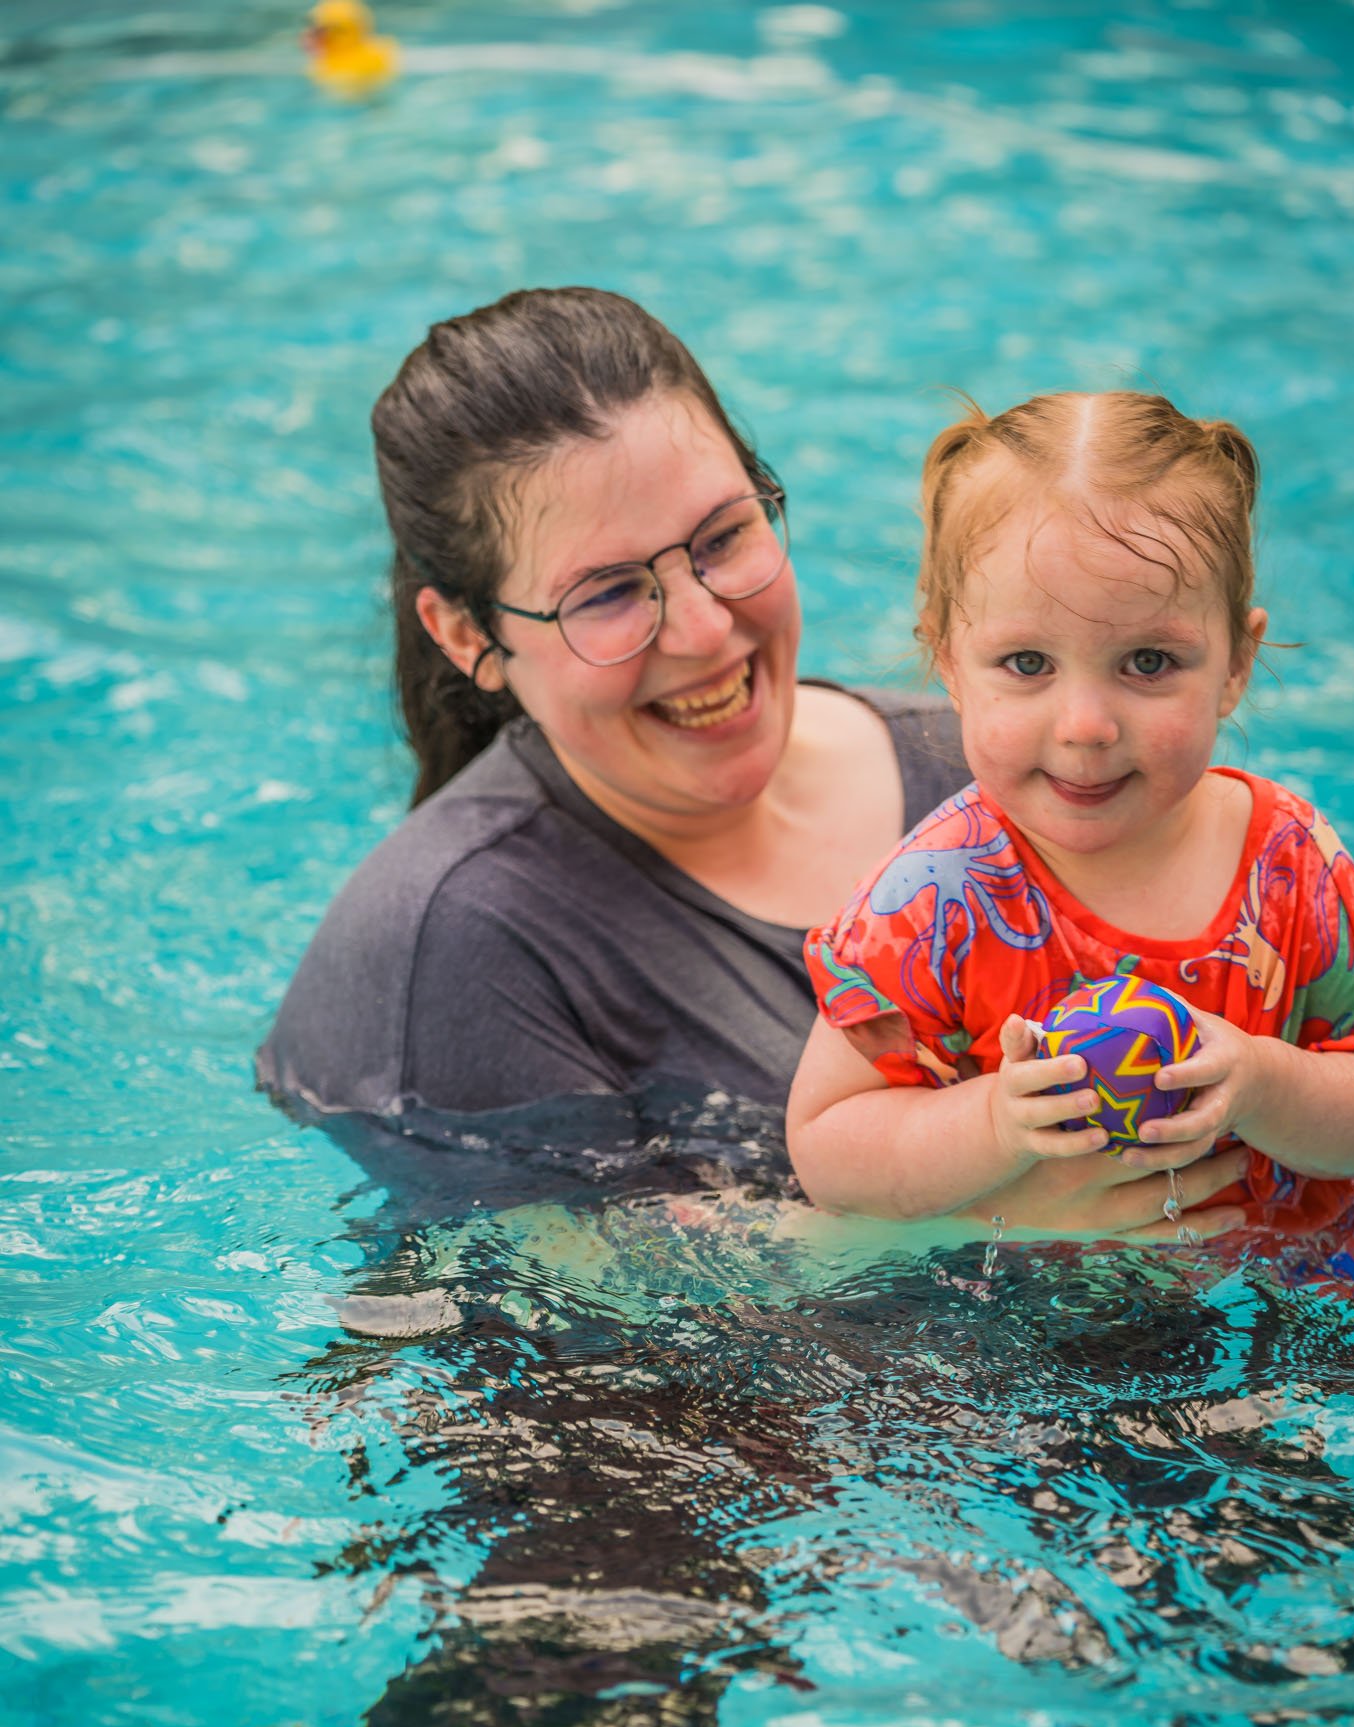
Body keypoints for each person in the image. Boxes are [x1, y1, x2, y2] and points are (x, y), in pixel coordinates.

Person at [257, 291, 1253, 1240]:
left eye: (724, 536)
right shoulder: (451, 945)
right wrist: (991, 1226)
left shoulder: (1011, 768)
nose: (704, 628)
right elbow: (589, 1307)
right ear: (467, 631)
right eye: (606, 593)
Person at [790, 391, 1354, 1235]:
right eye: (1026, 662)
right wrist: (991, 1125)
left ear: (1236, 662)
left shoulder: (1290, 865)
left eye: (1147, 661)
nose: (1086, 727)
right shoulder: (931, 904)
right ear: (947, 658)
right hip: (1032, 1325)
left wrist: (1266, 1084)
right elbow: (827, 1150)